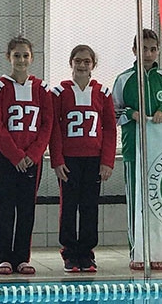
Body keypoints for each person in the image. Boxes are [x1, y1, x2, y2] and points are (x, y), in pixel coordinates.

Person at [112, 29, 162, 271]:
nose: (148, 53)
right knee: (136, 201)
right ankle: (137, 251)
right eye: (143, 49)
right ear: (134, 50)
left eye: (152, 49)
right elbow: (113, 112)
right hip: (134, 149)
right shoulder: (124, 79)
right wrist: (131, 113)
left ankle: (157, 250)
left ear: (158, 50)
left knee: (159, 201)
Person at [0, 36, 53, 275]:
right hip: (7, 158)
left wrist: (33, 154)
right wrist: (15, 155)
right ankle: (5, 257)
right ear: (8, 57)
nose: (21, 60)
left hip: (32, 160)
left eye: (26, 55)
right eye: (17, 55)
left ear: (32, 58)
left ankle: (22, 257)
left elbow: (47, 124)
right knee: (6, 207)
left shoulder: (42, 89)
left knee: (27, 208)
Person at [49, 45, 117, 273]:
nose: (82, 65)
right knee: (68, 206)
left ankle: (87, 253)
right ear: (71, 62)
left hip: (93, 160)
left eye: (87, 61)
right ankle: (69, 252)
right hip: (69, 160)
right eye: (78, 60)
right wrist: (57, 160)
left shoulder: (103, 93)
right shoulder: (59, 92)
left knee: (90, 206)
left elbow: (110, 128)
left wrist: (107, 161)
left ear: (93, 65)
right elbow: (54, 128)